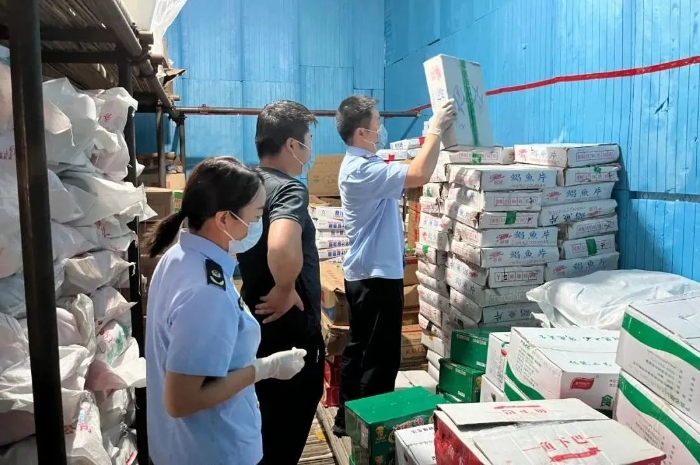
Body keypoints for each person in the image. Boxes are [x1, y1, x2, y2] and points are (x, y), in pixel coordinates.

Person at [143, 156, 307, 465]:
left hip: (178, 446)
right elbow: (182, 400)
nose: (258, 226)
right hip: (214, 450)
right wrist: (265, 368)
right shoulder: (207, 293)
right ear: (223, 220)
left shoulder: (179, 257)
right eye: (256, 216)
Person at [332, 95, 456, 436]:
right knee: (380, 357)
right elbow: (419, 173)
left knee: (361, 349)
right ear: (361, 132)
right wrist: (435, 129)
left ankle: (347, 420)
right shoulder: (363, 170)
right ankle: (371, 429)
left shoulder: (365, 164)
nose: (382, 128)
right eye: (377, 123)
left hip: (367, 272)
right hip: (375, 276)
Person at [236, 100, 324, 464]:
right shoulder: (289, 189)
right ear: (292, 144)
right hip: (289, 328)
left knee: (266, 421)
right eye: (307, 141)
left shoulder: (246, 184)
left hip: (256, 320)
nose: (308, 149)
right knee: (287, 426)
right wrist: (286, 289)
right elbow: (281, 246)